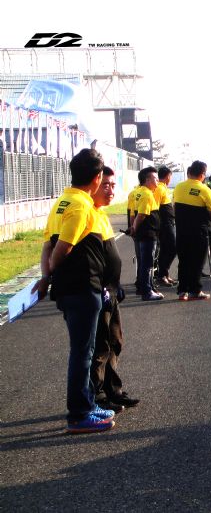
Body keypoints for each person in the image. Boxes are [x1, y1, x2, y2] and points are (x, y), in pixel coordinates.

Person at [32, 148, 116, 433]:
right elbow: (62, 248)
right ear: (97, 178)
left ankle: (88, 404)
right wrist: (50, 273)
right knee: (82, 352)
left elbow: (47, 245)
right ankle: (79, 415)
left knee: (85, 350)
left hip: (73, 289)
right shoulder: (80, 205)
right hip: (82, 288)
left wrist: (47, 276)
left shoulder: (62, 201)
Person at [90, 166, 140, 413]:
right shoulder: (86, 212)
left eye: (113, 185)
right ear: (93, 183)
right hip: (98, 291)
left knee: (115, 341)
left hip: (111, 290)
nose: (110, 190)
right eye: (105, 185)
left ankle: (113, 390)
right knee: (100, 346)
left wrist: (115, 284)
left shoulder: (100, 213)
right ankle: (98, 396)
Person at [173, 161, 211, 301]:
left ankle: (182, 291)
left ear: (190, 171)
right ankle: (195, 290)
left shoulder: (178, 187)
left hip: (181, 231)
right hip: (199, 232)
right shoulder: (204, 189)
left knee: (184, 261)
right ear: (202, 174)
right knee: (197, 262)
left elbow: (174, 207)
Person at [129, 167, 163, 301]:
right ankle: (147, 291)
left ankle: (146, 288)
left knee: (143, 262)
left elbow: (133, 212)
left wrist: (133, 228)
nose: (158, 181)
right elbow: (142, 214)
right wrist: (134, 228)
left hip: (142, 233)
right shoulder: (147, 194)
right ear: (147, 180)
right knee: (147, 264)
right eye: (155, 178)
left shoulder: (138, 192)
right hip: (148, 233)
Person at [155, 166, 177, 287]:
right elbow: (155, 207)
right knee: (172, 248)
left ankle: (164, 274)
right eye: (170, 177)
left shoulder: (163, 188)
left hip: (169, 223)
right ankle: (161, 275)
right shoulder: (159, 188)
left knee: (166, 249)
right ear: (168, 176)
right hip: (164, 224)